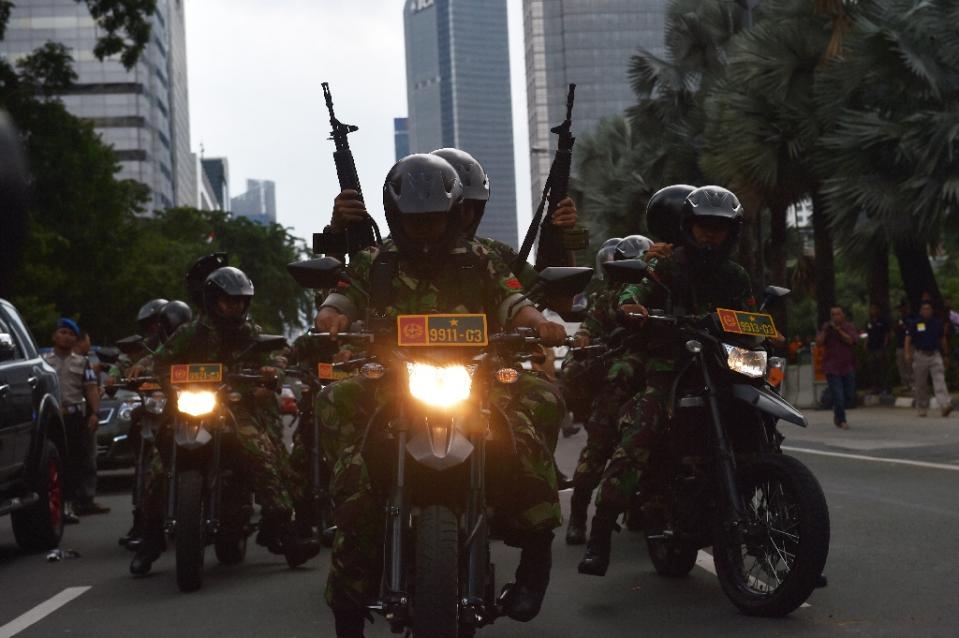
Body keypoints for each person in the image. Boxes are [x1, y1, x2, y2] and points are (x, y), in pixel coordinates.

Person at [314, 154, 568, 637]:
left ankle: (536, 558)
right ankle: (347, 593)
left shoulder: (482, 259)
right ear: (396, 217)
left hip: (477, 378)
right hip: (389, 381)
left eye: (434, 218)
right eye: (415, 219)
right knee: (333, 403)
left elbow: (515, 300)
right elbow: (339, 299)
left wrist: (540, 324)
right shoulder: (374, 261)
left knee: (540, 402)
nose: (425, 228)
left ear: (453, 214)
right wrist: (331, 317)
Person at [578, 185, 757, 577]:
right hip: (671, 365)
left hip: (722, 364)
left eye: (719, 228)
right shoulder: (666, 265)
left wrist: (764, 332)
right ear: (687, 228)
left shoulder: (736, 275)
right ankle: (600, 532)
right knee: (640, 432)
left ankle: (791, 531)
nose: (711, 235)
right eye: (703, 227)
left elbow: (750, 318)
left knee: (762, 417)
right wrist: (632, 305)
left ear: (732, 233)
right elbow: (635, 288)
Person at [129, 267, 316, 575]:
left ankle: (286, 533)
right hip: (186, 407)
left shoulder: (251, 332)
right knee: (159, 468)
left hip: (234, 406)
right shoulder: (191, 332)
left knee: (262, 454)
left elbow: (275, 356)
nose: (235, 307)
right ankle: (150, 538)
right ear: (213, 300)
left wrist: (273, 371)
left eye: (240, 301)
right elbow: (162, 357)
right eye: (229, 301)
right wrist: (143, 367)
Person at [565, 235, 654, 546]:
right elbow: (588, 328)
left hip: (656, 375)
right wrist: (584, 340)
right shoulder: (607, 299)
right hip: (617, 383)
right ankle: (578, 516)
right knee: (599, 448)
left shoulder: (659, 288)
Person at [43, 318, 108, 523]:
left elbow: (91, 389)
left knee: (73, 462)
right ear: (54, 336)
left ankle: (69, 505)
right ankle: (52, 506)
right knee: (53, 461)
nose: (66, 337)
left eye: (71, 334)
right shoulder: (43, 362)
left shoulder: (82, 363)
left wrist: (95, 413)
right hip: (51, 418)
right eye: (63, 332)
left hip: (73, 417)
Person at [905, 300, 953, 417]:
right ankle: (922, 407)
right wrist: (907, 353)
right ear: (921, 311)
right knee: (920, 383)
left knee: (939, 380)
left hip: (935, 355)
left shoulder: (937, 323)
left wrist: (946, 354)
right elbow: (908, 339)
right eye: (924, 309)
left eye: (928, 309)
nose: (926, 311)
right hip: (920, 355)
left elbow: (942, 339)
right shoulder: (915, 323)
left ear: (931, 311)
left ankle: (944, 404)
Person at [816, 306, 857, 429]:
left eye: (838, 314)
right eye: (833, 314)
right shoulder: (827, 328)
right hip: (832, 367)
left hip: (847, 366)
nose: (835, 317)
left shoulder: (848, 327)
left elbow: (850, 341)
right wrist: (825, 331)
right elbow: (818, 342)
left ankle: (837, 411)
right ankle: (842, 420)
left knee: (849, 395)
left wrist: (838, 330)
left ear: (843, 315)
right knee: (839, 396)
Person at [865, 303, 891, 394]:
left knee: (882, 368)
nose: (873, 311)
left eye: (874, 309)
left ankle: (885, 387)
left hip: (880, 347)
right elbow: (867, 334)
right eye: (871, 309)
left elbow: (887, 333)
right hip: (871, 347)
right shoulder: (869, 322)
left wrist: (885, 344)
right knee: (873, 368)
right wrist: (866, 344)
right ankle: (876, 387)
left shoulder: (883, 321)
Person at [895, 299, 915, 393]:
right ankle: (904, 384)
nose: (901, 310)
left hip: (910, 345)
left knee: (910, 364)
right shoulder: (899, 318)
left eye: (902, 308)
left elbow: (911, 329)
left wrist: (904, 325)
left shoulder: (911, 318)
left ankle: (913, 383)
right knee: (901, 365)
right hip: (900, 344)